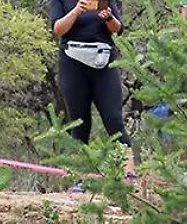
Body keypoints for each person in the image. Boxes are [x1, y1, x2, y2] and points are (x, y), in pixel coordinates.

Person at [50, 0, 135, 190]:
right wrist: (77, 10)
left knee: (114, 119)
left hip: (103, 61)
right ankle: (78, 180)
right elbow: (57, 29)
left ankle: (130, 175)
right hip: (73, 62)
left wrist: (108, 17)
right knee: (79, 122)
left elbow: (117, 28)